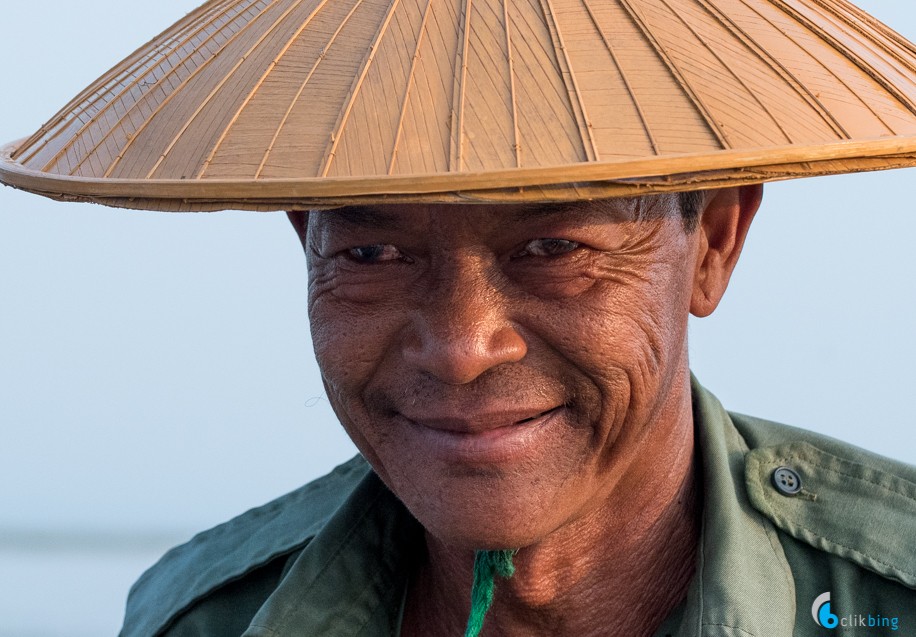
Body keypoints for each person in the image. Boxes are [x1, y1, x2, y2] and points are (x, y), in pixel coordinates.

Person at [1, 0, 915, 635]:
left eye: (553, 249)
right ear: (304, 246)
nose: (462, 346)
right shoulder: (207, 619)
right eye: (371, 254)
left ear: (712, 242)